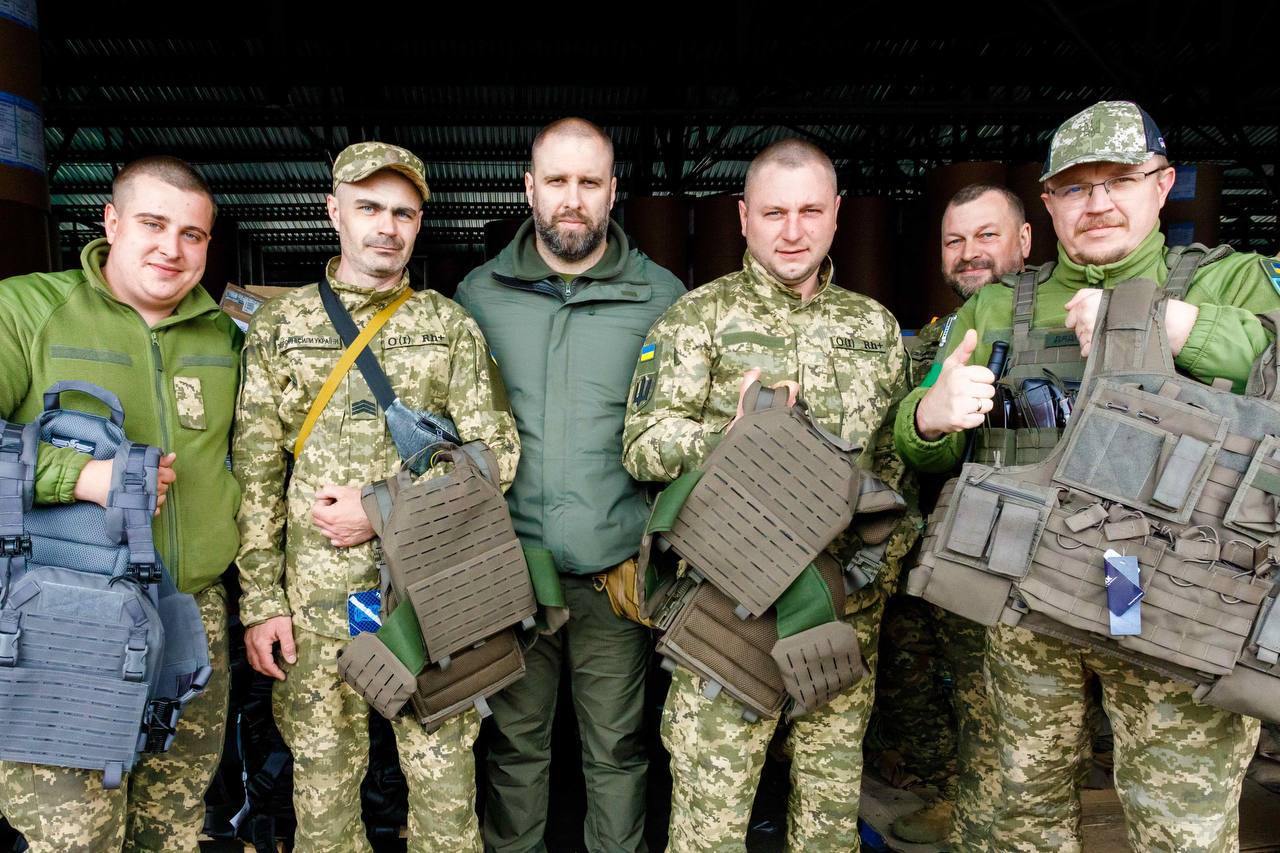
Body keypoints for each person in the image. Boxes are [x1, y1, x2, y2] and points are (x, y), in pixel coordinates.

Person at [895, 100, 1280, 852]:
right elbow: (921, 447)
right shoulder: (1000, 303)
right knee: (1021, 818)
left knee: (1182, 828)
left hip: (1176, 602)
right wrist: (930, 417)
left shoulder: (1226, 283)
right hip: (1031, 598)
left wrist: (1172, 325)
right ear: (1049, 203)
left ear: (1162, 184)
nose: (1097, 203)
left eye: (1119, 181)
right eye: (1076, 187)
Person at [622, 138, 916, 853]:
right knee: (711, 822)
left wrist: (878, 576)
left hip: (839, 612)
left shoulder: (874, 328)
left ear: (837, 214)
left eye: (810, 211)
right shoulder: (697, 319)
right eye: (774, 212)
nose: (792, 231)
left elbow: (893, 467)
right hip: (730, 613)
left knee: (828, 817)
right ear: (743, 217)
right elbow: (642, 444)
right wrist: (731, 439)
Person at [233, 141, 519, 853]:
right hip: (315, 607)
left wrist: (382, 508)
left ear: (419, 224)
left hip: (430, 597)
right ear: (334, 212)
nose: (386, 227)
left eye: (403, 213)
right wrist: (263, 602)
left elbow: (498, 456)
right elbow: (256, 474)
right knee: (323, 800)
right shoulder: (281, 327)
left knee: (445, 799)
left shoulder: (448, 326)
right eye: (369, 208)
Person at [0, 155, 240, 853]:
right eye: (152, 224)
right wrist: (81, 475)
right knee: (75, 837)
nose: (172, 249)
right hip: (65, 616)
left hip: (190, 617)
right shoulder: (28, 310)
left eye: (192, 234)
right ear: (111, 222)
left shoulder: (223, 336)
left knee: (172, 829)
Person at [455, 117, 683, 853]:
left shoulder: (663, 297)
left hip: (615, 574)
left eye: (590, 182)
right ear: (530, 188)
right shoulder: (479, 295)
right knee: (514, 750)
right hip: (511, 573)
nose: (573, 199)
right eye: (557, 180)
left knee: (617, 750)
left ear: (613, 191)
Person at [875, 183, 1031, 846]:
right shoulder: (941, 335)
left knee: (994, 695)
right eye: (955, 240)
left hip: (1014, 549)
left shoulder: (1050, 321)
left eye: (987, 235)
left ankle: (989, 818)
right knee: (921, 677)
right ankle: (953, 794)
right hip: (932, 542)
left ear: (1025, 240)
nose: (970, 253)